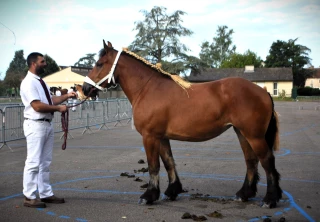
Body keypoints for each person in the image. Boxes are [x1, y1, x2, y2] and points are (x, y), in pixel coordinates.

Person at [20, 52, 77, 208]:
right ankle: (29, 196)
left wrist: (66, 97)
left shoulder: (40, 82)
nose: (45, 64)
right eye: (42, 61)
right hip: (35, 125)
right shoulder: (28, 83)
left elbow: (50, 100)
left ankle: (45, 193)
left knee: (45, 162)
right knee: (33, 162)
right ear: (33, 63)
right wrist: (58, 108)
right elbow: (37, 106)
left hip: (46, 125)